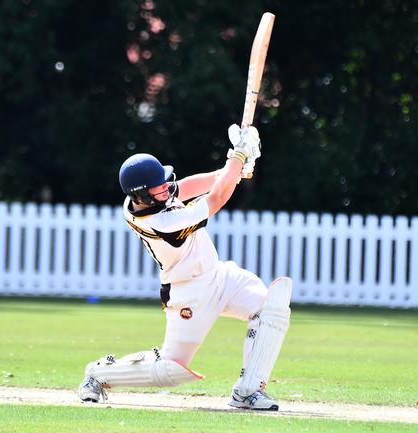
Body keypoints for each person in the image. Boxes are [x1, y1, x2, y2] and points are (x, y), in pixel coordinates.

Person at [77, 124, 292, 411]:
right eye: (159, 186)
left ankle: (249, 390)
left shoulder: (145, 197)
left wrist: (234, 168)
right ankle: (98, 375)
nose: (167, 187)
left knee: (270, 309)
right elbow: (216, 198)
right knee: (171, 369)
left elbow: (190, 186)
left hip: (219, 275)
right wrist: (237, 157)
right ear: (144, 195)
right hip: (188, 292)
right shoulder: (162, 223)